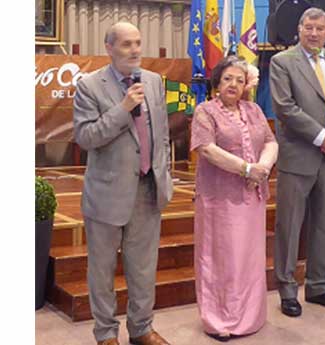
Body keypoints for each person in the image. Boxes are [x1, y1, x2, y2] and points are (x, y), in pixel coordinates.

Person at [73, 22, 173, 345]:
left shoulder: (154, 81)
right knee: (102, 272)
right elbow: (87, 137)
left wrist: (163, 177)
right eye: (127, 44)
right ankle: (105, 334)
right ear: (109, 48)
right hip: (106, 195)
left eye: (138, 43)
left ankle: (141, 328)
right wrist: (124, 108)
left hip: (147, 190)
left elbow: (163, 134)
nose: (135, 50)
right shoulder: (90, 85)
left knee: (144, 269)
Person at [269, 7, 325, 318]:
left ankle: (320, 286)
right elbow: (284, 108)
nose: (314, 33)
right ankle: (287, 290)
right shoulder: (283, 62)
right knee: (289, 226)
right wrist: (321, 136)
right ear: (299, 28)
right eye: (309, 27)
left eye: (320, 28)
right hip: (299, 155)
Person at [190, 56, 278, 341]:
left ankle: (250, 316)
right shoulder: (205, 111)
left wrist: (263, 167)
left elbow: (270, 141)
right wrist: (247, 169)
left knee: (248, 258)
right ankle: (219, 320)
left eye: (240, 80)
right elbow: (206, 149)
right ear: (217, 82)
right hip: (219, 200)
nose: (234, 84)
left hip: (252, 198)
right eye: (228, 78)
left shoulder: (253, 110)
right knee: (221, 258)